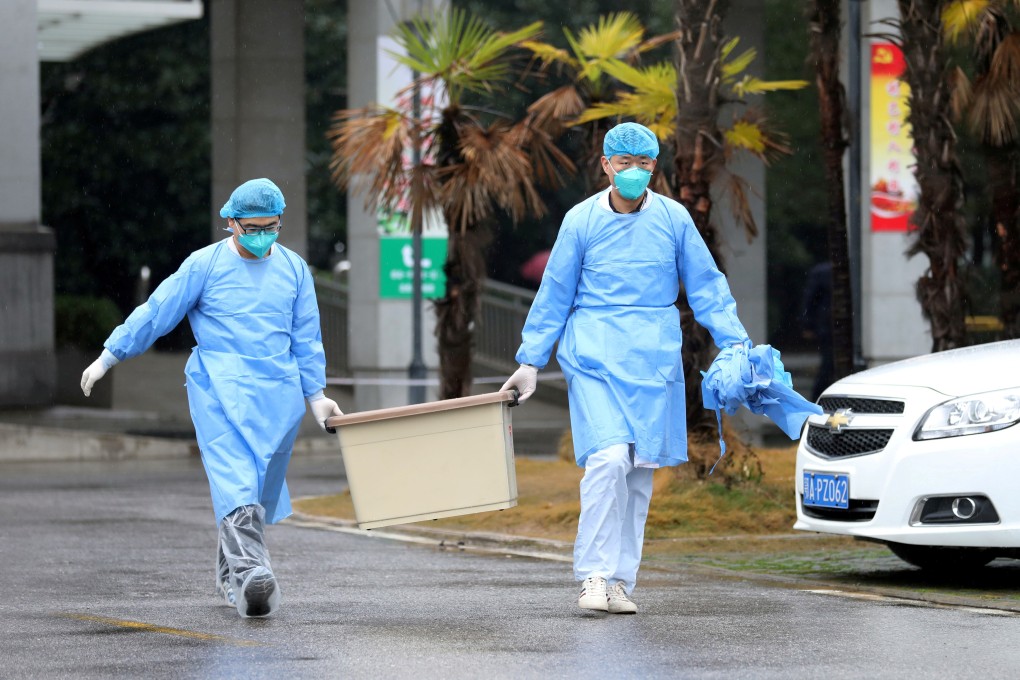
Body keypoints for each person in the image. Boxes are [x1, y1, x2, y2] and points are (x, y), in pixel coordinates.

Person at [501, 122, 754, 615]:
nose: (633, 172)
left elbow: (706, 285)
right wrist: (530, 360)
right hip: (593, 353)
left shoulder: (675, 219)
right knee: (609, 458)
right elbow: (555, 292)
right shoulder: (581, 221)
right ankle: (592, 575)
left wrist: (736, 343)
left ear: (654, 168)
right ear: (605, 166)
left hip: (654, 357)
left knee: (639, 472)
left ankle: (620, 580)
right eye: (624, 162)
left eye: (643, 163)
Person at [79, 178, 343, 618]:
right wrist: (111, 354)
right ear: (231, 223)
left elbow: (306, 337)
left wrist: (315, 395)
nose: (261, 236)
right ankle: (254, 574)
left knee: (253, 490)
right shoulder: (204, 265)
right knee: (235, 481)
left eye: (270, 227)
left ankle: (231, 578)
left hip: (278, 394)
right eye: (252, 228)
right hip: (218, 388)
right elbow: (158, 310)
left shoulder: (295, 270)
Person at [800, 261, 834, 401]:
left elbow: (810, 299)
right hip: (828, 326)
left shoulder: (823, 272)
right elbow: (810, 299)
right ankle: (817, 400)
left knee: (828, 366)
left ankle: (818, 399)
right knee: (828, 366)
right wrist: (808, 324)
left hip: (829, 326)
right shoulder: (823, 272)